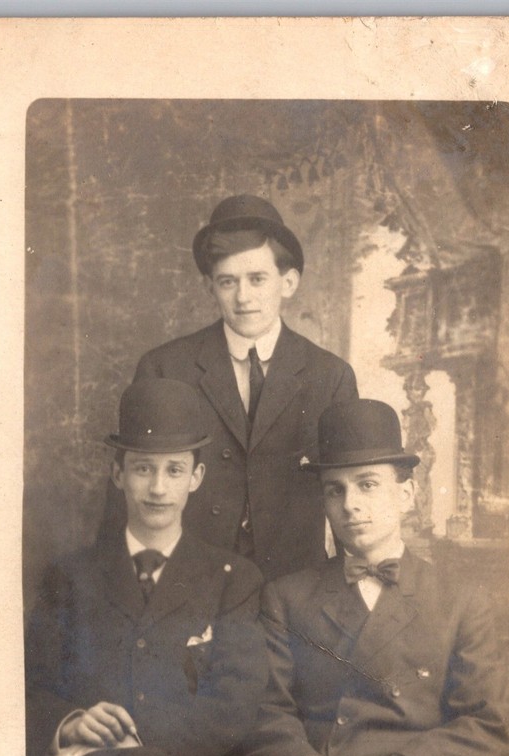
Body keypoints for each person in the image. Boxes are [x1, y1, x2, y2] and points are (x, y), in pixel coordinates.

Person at [241, 398, 509, 756]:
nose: (349, 504)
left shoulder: (460, 600)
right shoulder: (287, 597)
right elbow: (265, 709)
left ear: (407, 494)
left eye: (367, 484)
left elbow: (485, 723)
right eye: (335, 490)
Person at [25, 378, 269, 756]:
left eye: (174, 470)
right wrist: (72, 724)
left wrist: (133, 743)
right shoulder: (70, 577)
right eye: (143, 469)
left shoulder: (235, 581)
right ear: (118, 474)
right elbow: (31, 688)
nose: (158, 487)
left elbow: (234, 706)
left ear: (196, 477)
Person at [121, 194, 359, 580]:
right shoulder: (165, 367)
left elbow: (350, 493)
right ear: (209, 286)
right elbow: (129, 495)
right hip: (190, 583)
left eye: (257, 279)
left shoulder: (330, 376)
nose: (243, 297)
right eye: (227, 281)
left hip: (297, 588)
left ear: (289, 281)